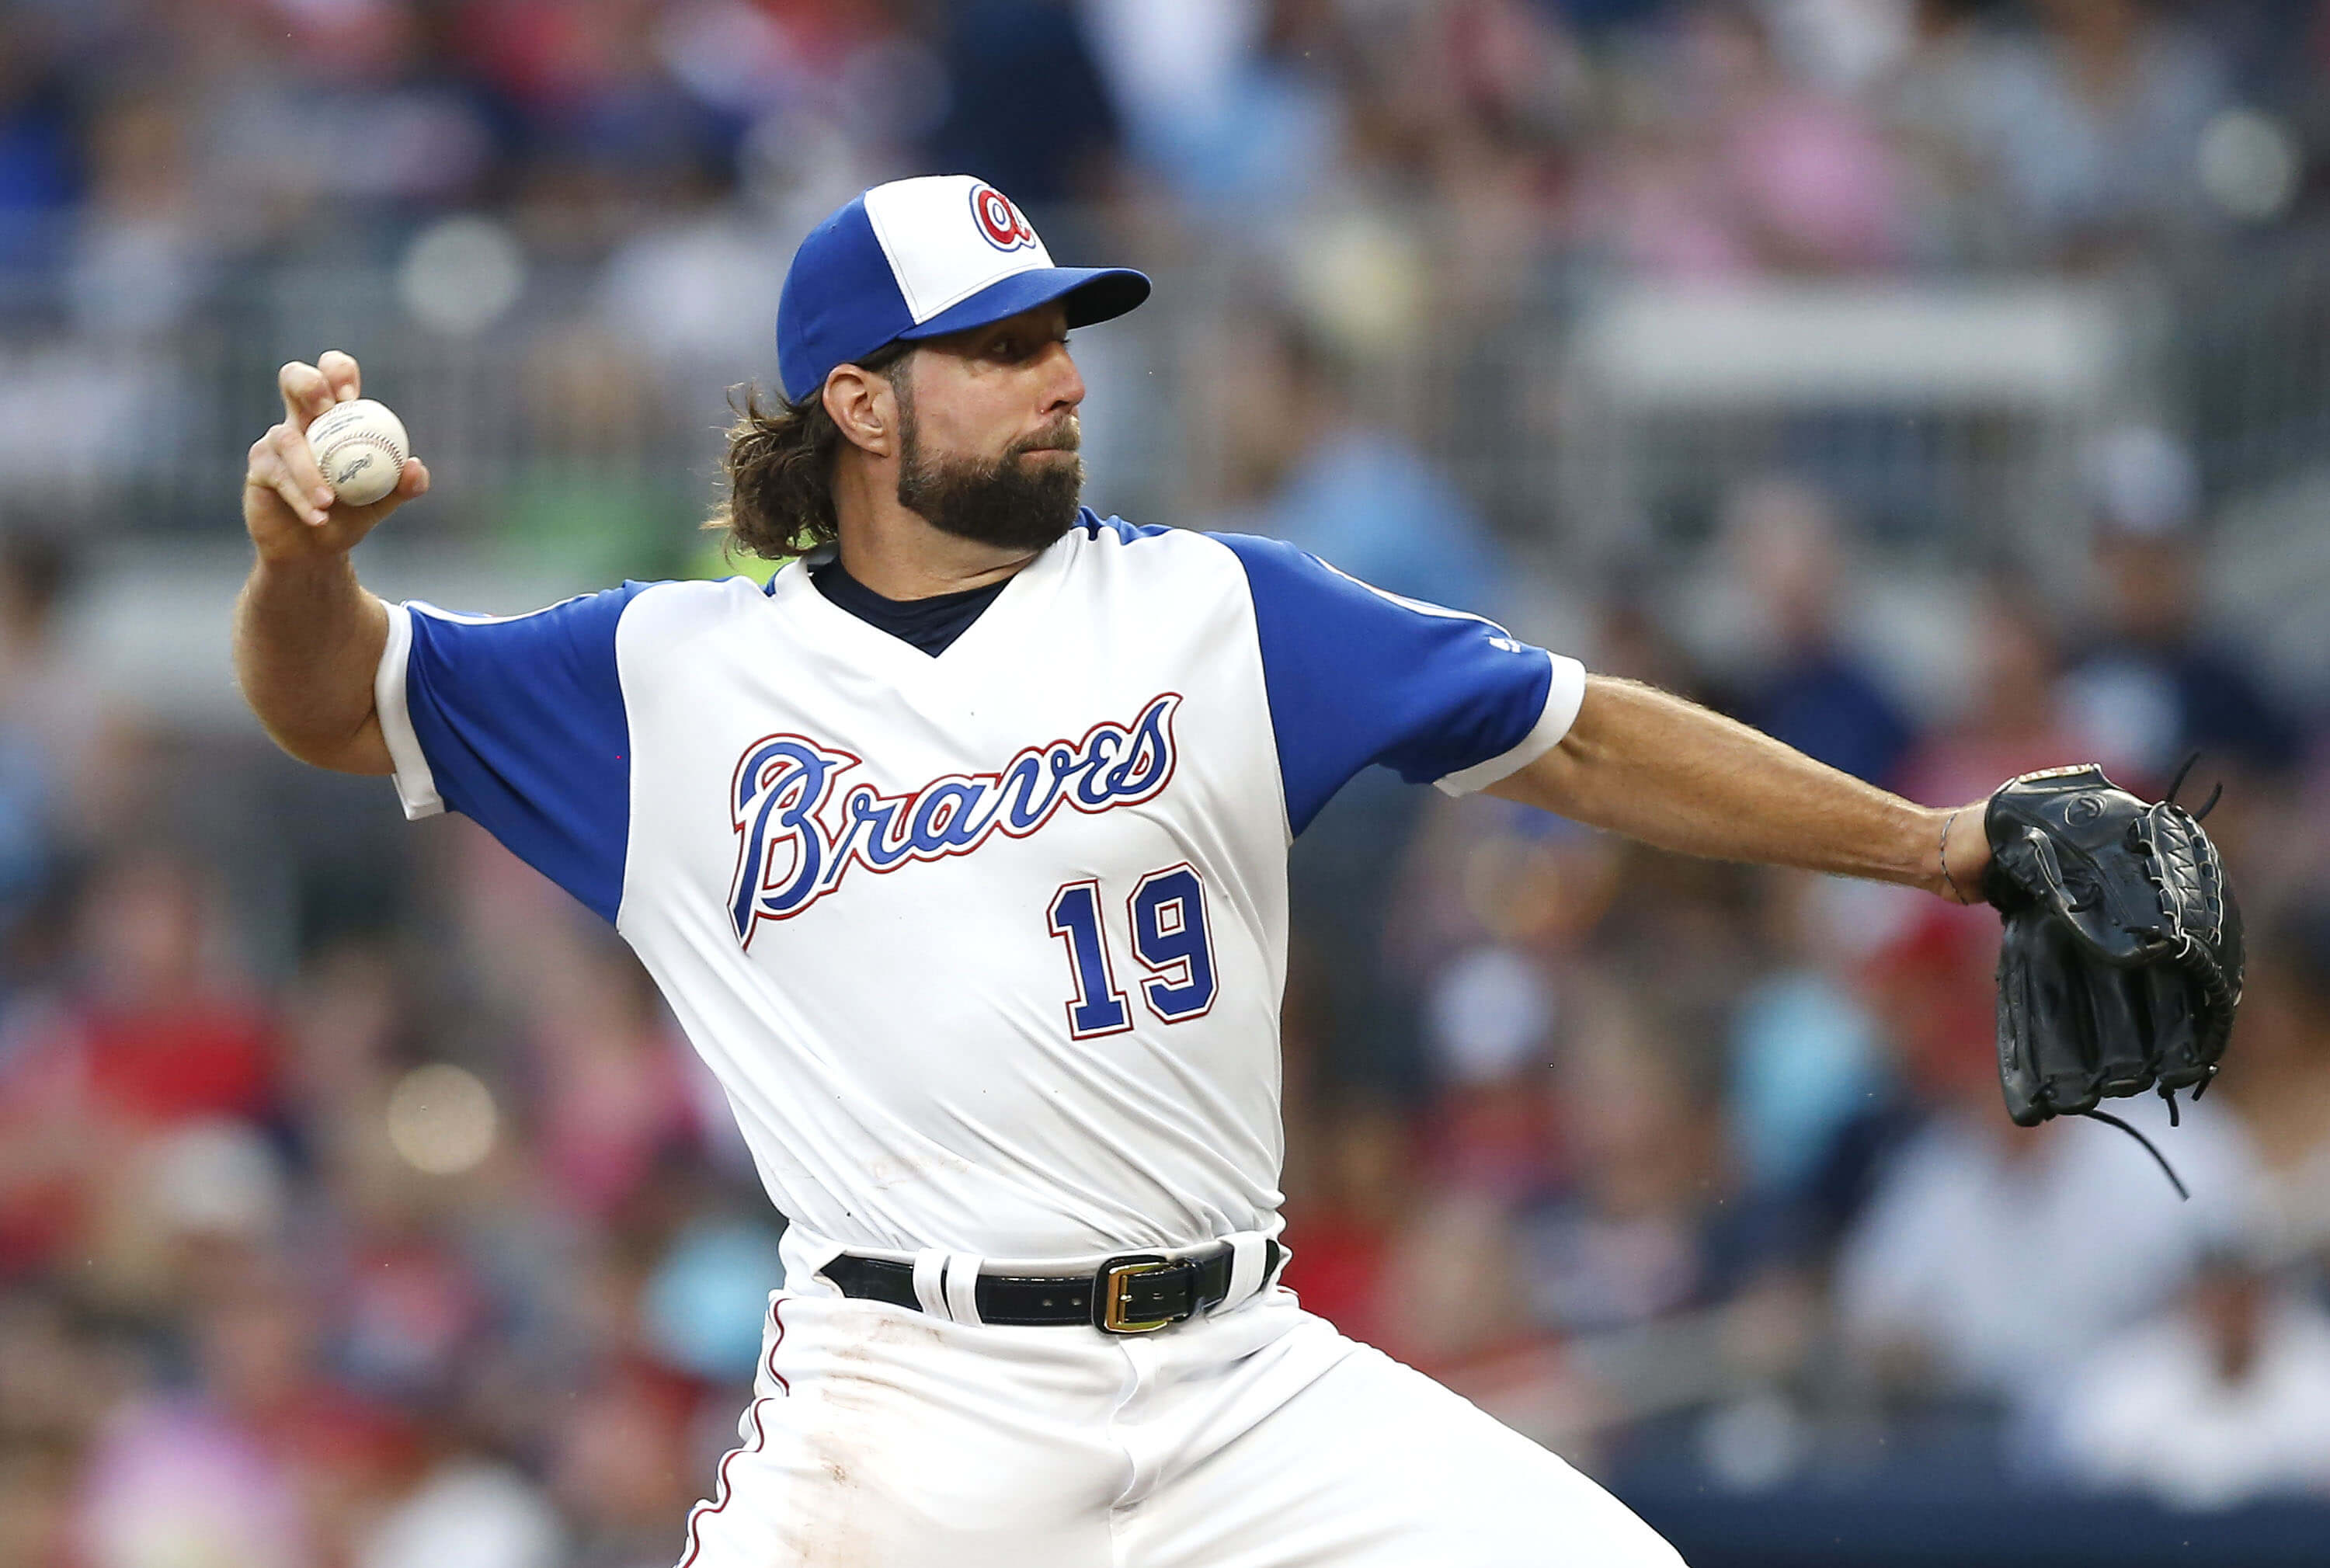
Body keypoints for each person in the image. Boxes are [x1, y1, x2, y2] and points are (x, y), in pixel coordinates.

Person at [235, 174, 1999, 1567]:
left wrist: (1936, 844)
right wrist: (302, 568)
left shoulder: (1219, 608)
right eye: (1000, 345)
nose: (1064, 373)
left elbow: (1583, 731)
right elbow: (335, 705)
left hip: (1245, 1373)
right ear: (859, 401)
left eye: (1061, 332)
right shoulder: (665, 677)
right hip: (916, 1405)